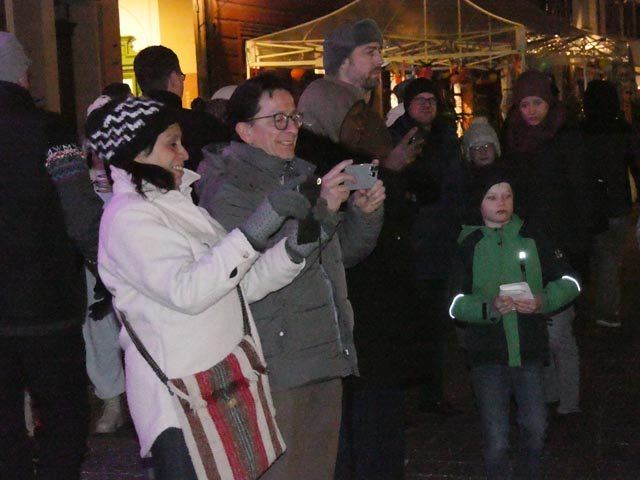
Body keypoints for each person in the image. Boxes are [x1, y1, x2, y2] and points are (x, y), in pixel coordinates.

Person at [86, 96, 311, 479]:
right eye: (171, 144)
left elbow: (236, 284)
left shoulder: (179, 205)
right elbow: (188, 291)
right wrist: (257, 227)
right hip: (181, 401)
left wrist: (296, 247)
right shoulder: (129, 218)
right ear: (138, 153)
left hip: (219, 385)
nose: (184, 153)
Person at [196, 73, 385, 480]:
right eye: (277, 120)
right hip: (275, 358)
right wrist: (323, 211)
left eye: (294, 118)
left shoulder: (304, 177)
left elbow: (339, 254)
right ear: (245, 131)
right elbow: (252, 270)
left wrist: (364, 215)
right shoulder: (228, 190)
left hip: (323, 350)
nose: (291, 129)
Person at [296, 19, 419, 479]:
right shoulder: (333, 105)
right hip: (357, 286)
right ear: (344, 59)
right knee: (364, 398)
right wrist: (389, 169)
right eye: (370, 51)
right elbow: (356, 175)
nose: (379, 61)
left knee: (369, 397)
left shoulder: (355, 110)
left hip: (370, 283)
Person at [0, 31, 103, 479]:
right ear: (22, 75)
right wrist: (108, 266)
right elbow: (80, 213)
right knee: (64, 416)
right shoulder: (52, 131)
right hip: (49, 304)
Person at [449, 168, 581, 479]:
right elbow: (454, 303)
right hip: (487, 354)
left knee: (535, 427)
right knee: (496, 438)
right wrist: (488, 308)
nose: (501, 203)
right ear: (478, 203)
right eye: (492, 197)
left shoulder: (533, 237)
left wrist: (543, 300)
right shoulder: (468, 245)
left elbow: (571, 281)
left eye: (507, 196)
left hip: (528, 350)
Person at [501, 70, 590, 426]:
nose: (532, 111)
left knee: (559, 328)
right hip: (525, 245)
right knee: (535, 323)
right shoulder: (514, 139)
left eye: (537, 102)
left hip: (559, 245)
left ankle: (568, 400)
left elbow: (579, 193)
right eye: (525, 104)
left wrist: (577, 246)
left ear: (549, 102)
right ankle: (550, 394)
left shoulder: (566, 138)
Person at [389, 77, 466, 416]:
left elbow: (455, 186)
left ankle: (431, 393)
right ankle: (407, 395)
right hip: (410, 243)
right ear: (407, 105)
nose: (426, 105)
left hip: (441, 243)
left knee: (436, 323)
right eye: (419, 99)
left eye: (431, 100)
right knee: (410, 323)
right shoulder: (396, 139)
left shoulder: (446, 138)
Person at [581, 80, 634, 329]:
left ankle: (595, 305)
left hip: (590, 203)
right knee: (610, 258)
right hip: (616, 202)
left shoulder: (582, 132)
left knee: (597, 256)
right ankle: (607, 309)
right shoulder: (622, 130)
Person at [133, 45, 229, 172]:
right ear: (174, 79)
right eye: (182, 77)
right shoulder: (204, 124)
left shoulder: (130, 127)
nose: (184, 155)